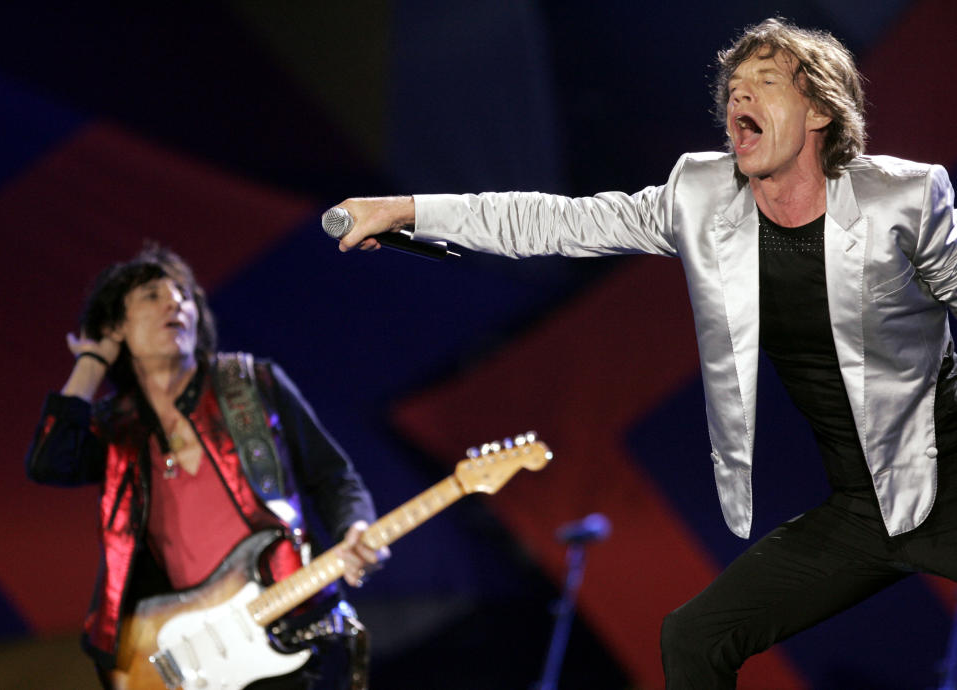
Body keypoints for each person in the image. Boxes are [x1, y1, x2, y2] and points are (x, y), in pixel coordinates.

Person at [328, 17, 957, 689]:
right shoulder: (702, 197)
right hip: (864, 507)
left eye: (763, 84)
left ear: (820, 111)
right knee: (694, 635)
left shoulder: (906, 199)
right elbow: (557, 222)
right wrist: (409, 210)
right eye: (732, 88)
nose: (737, 99)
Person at [26, 244, 388, 689]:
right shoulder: (113, 426)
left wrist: (356, 527)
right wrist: (92, 360)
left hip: (288, 623)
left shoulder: (252, 382)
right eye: (152, 296)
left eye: (182, 294)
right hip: (194, 657)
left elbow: (333, 476)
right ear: (117, 327)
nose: (175, 302)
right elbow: (49, 462)